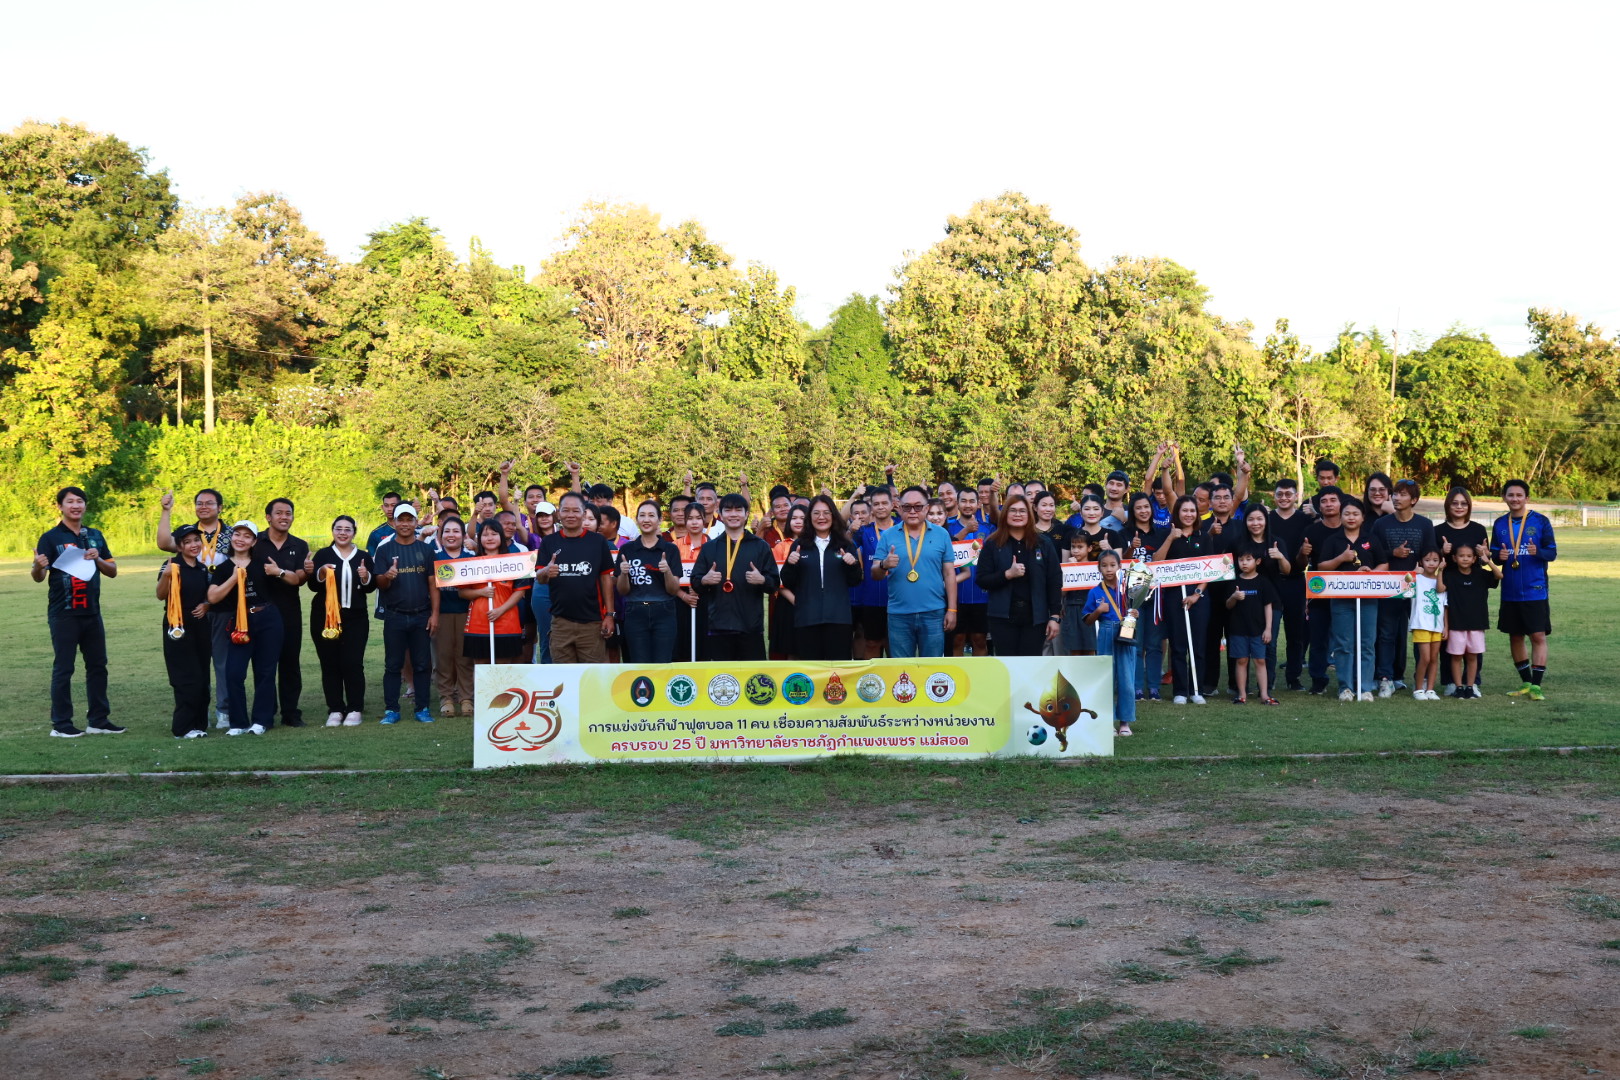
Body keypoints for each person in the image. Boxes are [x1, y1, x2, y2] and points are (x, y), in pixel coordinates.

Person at [33, 486, 123, 737]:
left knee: (98, 666)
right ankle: (61, 724)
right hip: (64, 613)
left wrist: (98, 558)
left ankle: (98, 721)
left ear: (85, 505)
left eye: (80, 501)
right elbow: (38, 576)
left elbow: (113, 571)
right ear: (60, 506)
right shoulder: (50, 538)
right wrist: (37, 566)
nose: (76, 505)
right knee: (64, 669)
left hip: (92, 612)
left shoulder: (94, 535)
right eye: (70, 501)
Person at [157, 487, 233, 728]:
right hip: (187, 610)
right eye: (199, 503)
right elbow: (163, 543)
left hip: (220, 606)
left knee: (221, 662)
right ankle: (197, 714)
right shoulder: (189, 534)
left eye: (209, 503)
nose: (204, 507)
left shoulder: (231, 534)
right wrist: (166, 510)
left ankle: (223, 711)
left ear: (220, 507)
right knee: (193, 665)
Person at [206, 520, 281, 735]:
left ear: (254, 542)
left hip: (267, 619)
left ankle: (262, 721)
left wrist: (279, 571)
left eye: (247, 536)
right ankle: (238, 723)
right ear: (231, 537)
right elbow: (212, 597)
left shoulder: (263, 564)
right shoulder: (223, 568)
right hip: (239, 622)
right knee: (234, 673)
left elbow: (289, 582)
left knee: (265, 672)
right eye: (237, 534)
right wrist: (234, 577)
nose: (241, 539)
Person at [1369, 478, 1436, 697]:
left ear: (1414, 499)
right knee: (1386, 634)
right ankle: (1385, 678)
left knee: (1420, 634)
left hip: (1419, 587)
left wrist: (1422, 569)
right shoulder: (1381, 524)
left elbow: (1430, 554)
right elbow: (1372, 552)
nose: (1396, 498)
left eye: (1403, 494)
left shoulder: (1424, 524)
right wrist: (1393, 553)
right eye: (1395, 494)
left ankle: (1422, 679)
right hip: (1389, 586)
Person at [691, 493, 778, 660]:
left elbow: (774, 583)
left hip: (750, 626)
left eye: (738, 510)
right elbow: (695, 582)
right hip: (719, 625)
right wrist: (704, 580)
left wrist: (762, 580)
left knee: (752, 675)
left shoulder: (760, 546)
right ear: (720, 514)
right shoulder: (710, 547)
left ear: (746, 514)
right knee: (722, 676)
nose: (733, 514)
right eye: (728, 510)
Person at [1318, 498, 1389, 702]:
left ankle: (1365, 688)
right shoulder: (1333, 540)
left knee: (1367, 643)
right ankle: (1345, 688)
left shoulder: (1371, 539)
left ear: (1363, 517)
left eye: (1355, 514)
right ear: (1341, 517)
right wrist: (1341, 558)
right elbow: (1321, 567)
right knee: (1343, 644)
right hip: (1340, 599)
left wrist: (1371, 574)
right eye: (1347, 514)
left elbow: (1384, 564)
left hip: (1368, 598)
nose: (1351, 518)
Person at [373, 503, 439, 723]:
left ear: (415, 522)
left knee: (422, 664)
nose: (405, 524)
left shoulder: (426, 550)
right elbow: (379, 583)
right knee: (393, 665)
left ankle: (422, 708)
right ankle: (391, 710)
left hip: (421, 615)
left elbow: (433, 585)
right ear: (394, 523)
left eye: (409, 519)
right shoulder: (385, 550)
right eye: (400, 520)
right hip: (395, 615)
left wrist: (435, 614)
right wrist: (387, 576)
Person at [875, 486, 958, 658]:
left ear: (926, 508)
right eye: (907, 507)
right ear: (899, 508)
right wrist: (884, 565)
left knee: (932, 668)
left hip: (933, 612)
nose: (912, 511)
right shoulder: (888, 535)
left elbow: (949, 574)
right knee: (902, 669)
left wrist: (952, 609)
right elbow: (875, 574)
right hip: (899, 614)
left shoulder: (941, 534)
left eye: (918, 506)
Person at [308, 515, 376, 726]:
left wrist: (365, 576)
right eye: (339, 528)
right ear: (333, 531)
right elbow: (312, 585)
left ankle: (355, 708)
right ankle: (335, 709)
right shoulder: (323, 554)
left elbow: (370, 587)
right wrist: (320, 572)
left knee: (353, 663)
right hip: (324, 617)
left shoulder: (363, 556)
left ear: (354, 533)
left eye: (348, 529)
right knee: (330, 663)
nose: (343, 533)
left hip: (355, 617)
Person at [973, 494, 1061, 657]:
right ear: (1005, 514)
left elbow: (1054, 580)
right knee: (1007, 666)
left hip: (1035, 617)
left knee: (1030, 665)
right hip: (1002, 617)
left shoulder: (1043, 543)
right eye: (1013, 510)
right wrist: (1007, 574)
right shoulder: (993, 544)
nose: (1018, 514)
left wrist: (1055, 616)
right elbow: (981, 579)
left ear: (1029, 514)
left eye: (1022, 511)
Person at [1492, 479, 1556, 699]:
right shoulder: (1500, 523)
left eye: (1519, 495)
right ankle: (1526, 683)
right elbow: (1493, 555)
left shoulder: (1540, 521)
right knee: (1515, 635)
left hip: (1535, 589)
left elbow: (1552, 553)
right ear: (1504, 497)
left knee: (1538, 635)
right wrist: (1498, 557)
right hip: (1510, 590)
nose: (1515, 499)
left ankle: (1536, 685)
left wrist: (1538, 551)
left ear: (1527, 498)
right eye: (1511, 495)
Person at [535, 492, 617, 663]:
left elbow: (606, 579)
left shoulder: (598, 541)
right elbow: (540, 577)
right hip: (560, 623)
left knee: (592, 675)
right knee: (563, 676)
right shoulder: (549, 542)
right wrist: (546, 571)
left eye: (575, 510)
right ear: (558, 513)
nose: (570, 515)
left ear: (583, 513)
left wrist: (609, 614)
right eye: (565, 510)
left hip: (592, 623)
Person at [779, 495, 863, 661]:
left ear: (833, 515)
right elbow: (788, 581)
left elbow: (855, 580)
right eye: (816, 513)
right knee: (811, 670)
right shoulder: (800, 545)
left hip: (838, 618)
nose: (821, 517)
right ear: (810, 517)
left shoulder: (845, 545)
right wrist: (790, 564)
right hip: (807, 618)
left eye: (826, 512)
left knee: (838, 670)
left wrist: (852, 564)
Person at [254, 498, 310, 728]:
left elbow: (298, 579)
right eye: (279, 513)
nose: (284, 517)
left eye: (288, 513)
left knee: (290, 664)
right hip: (259, 611)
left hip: (289, 612)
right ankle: (265, 713)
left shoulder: (300, 545)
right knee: (264, 665)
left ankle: (291, 713)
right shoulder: (255, 541)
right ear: (268, 517)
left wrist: (278, 572)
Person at [156, 524, 213, 738]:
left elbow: (207, 595)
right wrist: (166, 576)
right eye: (187, 542)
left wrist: (206, 605)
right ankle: (183, 728)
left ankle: (199, 725)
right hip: (177, 626)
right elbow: (160, 595)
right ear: (179, 546)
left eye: (196, 540)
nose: (193, 545)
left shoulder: (202, 568)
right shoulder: (171, 565)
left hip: (201, 626)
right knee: (186, 678)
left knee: (202, 676)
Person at [1155, 495, 1211, 705]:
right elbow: (1156, 562)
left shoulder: (1204, 537)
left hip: (1199, 596)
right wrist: (1171, 538)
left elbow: (1210, 570)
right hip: (1174, 596)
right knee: (1178, 644)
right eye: (1184, 510)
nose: (1189, 514)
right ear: (1177, 513)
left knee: (1198, 645)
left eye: (1192, 511)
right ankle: (1180, 690)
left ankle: (1196, 689)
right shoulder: (1166, 534)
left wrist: (1196, 594)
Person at [1233, 505, 1291, 697]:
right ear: (1245, 522)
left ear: (1266, 520)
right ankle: (1240, 688)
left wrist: (1280, 557)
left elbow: (1287, 570)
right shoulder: (1239, 543)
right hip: (1243, 601)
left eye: (1260, 519)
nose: (1255, 523)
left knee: (1268, 643)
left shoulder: (1276, 542)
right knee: (1241, 645)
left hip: (1271, 601)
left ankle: (1266, 686)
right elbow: (1227, 568)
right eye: (1251, 519)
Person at [615, 499, 683, 663]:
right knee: (639, 664)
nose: (646, 520)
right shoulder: (627, 549)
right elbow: (622, 590)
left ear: (660, 520)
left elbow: (673, 590)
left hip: (664, 611)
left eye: (651, 515)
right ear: (637, 519)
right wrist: (623, 573)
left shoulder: (670, 549)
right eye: (642, 515)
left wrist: (667, 571)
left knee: (663, 663)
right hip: (635, 611)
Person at [1083, 549, 1139, 734]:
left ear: (1119, 567)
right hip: (1106, 632)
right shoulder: (1095, 592)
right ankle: (1107, 722)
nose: (1109, 569)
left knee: (1127, 680)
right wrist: (1098, 611)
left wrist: (1135, 614)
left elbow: (1135, 610)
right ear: (1098, 568)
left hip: (1126, 633)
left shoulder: (1128, 590)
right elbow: (1087, 620)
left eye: (1112, 565)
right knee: (1107, 679)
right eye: (1104, 566)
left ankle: (1124, 722)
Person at [461, 520, 532, 665]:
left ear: (501, 536)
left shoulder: (515, 562)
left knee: (503, 669)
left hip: (507, 623)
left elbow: (520, 592)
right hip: (478, 623)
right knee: (481, 669)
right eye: (485, 535)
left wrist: (500, 610)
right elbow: (462, 593)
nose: (490, 538)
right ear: (479, 538)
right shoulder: (470, 563)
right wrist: (481, 592)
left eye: (494, 534)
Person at [1119, 493, 1168, 700]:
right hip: (1131, 598)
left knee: (1154, 644)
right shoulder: (1123, 533)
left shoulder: (1161, 533)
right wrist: (1132, 547)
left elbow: (1163, 560)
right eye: (1138, 507)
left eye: (1146, 507)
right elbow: (1120, 563)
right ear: (1133, 511)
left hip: (1156, 596)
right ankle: (1137, 687)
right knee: (1135, 644)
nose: (1143, 511)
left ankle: (1154, 687)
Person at [1200, 481, 1244, 697]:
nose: (1222, 501)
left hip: (1234, 589)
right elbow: (1195, 554)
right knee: (1211, 638)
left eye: (1226, 497)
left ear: (1232, 500)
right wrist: (1209, 535)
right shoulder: (1201, 526)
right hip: (1208, 590)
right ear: (1210, 502)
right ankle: (1209, 683)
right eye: (1217, 498)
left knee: (1236, 637)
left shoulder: (1240, 526)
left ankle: (1236, 684)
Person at [1298, 487, 1344, 695]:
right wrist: (1302, 553)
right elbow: (1301, 564)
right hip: (1320, 590)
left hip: (1346, 590)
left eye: (1333, 500)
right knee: (1318, 638)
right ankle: (1318, 679)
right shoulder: (1312, 531)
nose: (1328, 504)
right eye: (1324, 501)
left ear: (1341, 503)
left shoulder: (1350, 527)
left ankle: (1349, 679)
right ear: (1319, 506)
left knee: (1346, 638)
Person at [1267, 478, 1310, 691]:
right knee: (1269, 633)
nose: (1284, 498)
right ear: (1274, 497)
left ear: (1296, 497)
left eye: (1288, 494)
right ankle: (1269, 678)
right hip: (1271, 582)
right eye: (1280, 494)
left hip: (1295, 580)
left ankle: (1294, 677)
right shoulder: (1267, 519)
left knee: (1296, 633)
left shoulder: (1305, 520)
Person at [429, 516, 475, 715]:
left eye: (456, 531)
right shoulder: (434, 557)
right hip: (442, 614)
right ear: (441, 535)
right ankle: (446, 697)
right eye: (447, 531)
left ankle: (466, 698)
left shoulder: (472, 558)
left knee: (465, 658)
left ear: (463, 536)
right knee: (443, 657)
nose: (451, 535)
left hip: (467, 613)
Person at [1443, 543, 1499, 699]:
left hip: (1476, 624)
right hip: (1456, 624)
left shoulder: (1480, 574)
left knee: (1472, 656)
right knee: (1456, 656)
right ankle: (1458, 687)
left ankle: (1470, 686)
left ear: (1474, 559)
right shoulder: (1450, 575)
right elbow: (1440, 589)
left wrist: (1487, 561)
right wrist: (1440, 569)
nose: (1465, 559)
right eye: (1461, 556)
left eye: (1469, 556)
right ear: (1454, 558)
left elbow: (1499, 575)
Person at [1224, 550, 1279, 705]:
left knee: (1260, 661)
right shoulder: (1234, 581)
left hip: (1258, 630)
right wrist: (1234, 597)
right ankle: (1242, 694)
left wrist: (1268, 629)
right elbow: (1228, 605)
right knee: (1241, 660)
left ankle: (1264, 695)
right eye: (1241, 560)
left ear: (1257, 561)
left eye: (1248, 559)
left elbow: (1268, 606)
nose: (1244, 563)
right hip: (1238, 629)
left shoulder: (1263, 582)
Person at [852, 487, 897, 658]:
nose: (880, 507)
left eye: (884, 503)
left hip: (898, 599)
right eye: (876, 504)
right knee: (871, 643)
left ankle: (896, 675)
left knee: (894, 643)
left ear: (892, 505)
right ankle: (873, 676)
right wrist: (850, 531)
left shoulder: (902, 528)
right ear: (871, 508)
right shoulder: (864, 531)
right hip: (871, 598)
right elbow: (844, 544)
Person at [949, 490, 991, 658]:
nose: (968, 505)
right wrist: (965, 531)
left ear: (978, 504)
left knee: (979, 639)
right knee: (957, 640)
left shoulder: (988, 528)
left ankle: (979, 674)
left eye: (972, 501)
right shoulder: (949, 527)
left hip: (982, 596)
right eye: (964, 501)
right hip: (957, 595)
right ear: (957, 503)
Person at [768, 504, 808, 659]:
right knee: (792, 650)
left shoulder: (816, 544)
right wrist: (795, 600)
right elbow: (777, 579)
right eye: (794, 518)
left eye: (802, 518)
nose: (798, 521)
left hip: (812, 602)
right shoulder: (781, 546)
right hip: (788, 603)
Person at [1408, 548, 1448, 700]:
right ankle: (1418, 689)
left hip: (1437, 625)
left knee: (1433, 658)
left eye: (1435, 560)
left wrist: (1446, 627)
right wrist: (1413, 573)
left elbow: (1441, 595)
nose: (1431, 563)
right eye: (1427, 560)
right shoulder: (1417, 578)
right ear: (1421, 562)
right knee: (1424, 658)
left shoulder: (1442, 581)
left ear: (1441, 562)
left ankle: (1430, 690)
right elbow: (1403, 588)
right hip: (1420, 624)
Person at [673, 501, 709, 662]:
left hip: (706, 600)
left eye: (698, 518)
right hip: (680, 600)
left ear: (704, 520)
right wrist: (683, 596)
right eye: (690, 518)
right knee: (682, 642)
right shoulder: (674, 546)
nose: (694, 522)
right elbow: (669, 577)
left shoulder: (714, 545)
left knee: (704, 644)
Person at [1060, 528, 1098, 657]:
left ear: (1089, 548)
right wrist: (1071, 569)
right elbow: (1062, 593)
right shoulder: (1066, 567)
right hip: (1071, 609)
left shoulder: (1095, 567)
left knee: (1090, 648)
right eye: (1073, 547)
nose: (1075, 550)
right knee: (1074, 650)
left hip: (1090, 610)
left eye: (1080, 547)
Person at [1435, 486, 1490, 569]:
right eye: (1454, 503)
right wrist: (1442, 551)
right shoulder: (1437, 530)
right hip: (1448, 577)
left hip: (1475, 576)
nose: (1459, 507)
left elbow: (1484, 563)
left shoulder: (1479, 529)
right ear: (1448, 505)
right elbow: (1430, 563)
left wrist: (1485, 554)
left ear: (1469, 506)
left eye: (1463, 503)